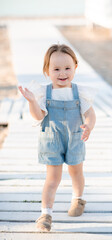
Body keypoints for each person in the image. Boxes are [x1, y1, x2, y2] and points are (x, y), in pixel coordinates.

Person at [18, 44, 96, 232]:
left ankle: (77, 199)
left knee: (76, 172)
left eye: (67, 68)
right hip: (51, 140)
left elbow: (90, 114)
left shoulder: (79, 92)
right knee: (52, 179)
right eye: (56, 69)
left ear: (75, 67)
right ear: (47, 71)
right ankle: (46, 214)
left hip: (75, 138)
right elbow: (38, 116)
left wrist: (89, 126)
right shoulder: (44, 93)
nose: (63, 73)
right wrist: (32, 102)